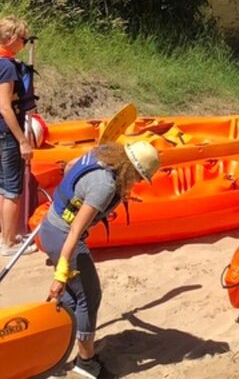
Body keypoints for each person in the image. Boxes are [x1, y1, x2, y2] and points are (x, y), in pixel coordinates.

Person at [40, 141, 160, 378]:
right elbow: (75, 231)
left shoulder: (102, 151)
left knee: (73, 297)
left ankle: (54, 347)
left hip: (50, 227)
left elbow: (71, 167)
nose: (135, 183)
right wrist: (60, 274)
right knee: (89, 296)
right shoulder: (104, 186)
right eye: (137, 177)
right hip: (63, 238)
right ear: (131, 170)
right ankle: (86, 363)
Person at [0, 17, 36, 256]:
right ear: (12, 39)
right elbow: (4, 106)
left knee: (3, 186)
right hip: (6, 133)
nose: (24, 43)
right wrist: (22, 140)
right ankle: (10, 243)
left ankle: (7, 235)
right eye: (23, 39)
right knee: (12, 188)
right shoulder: (7, 66)